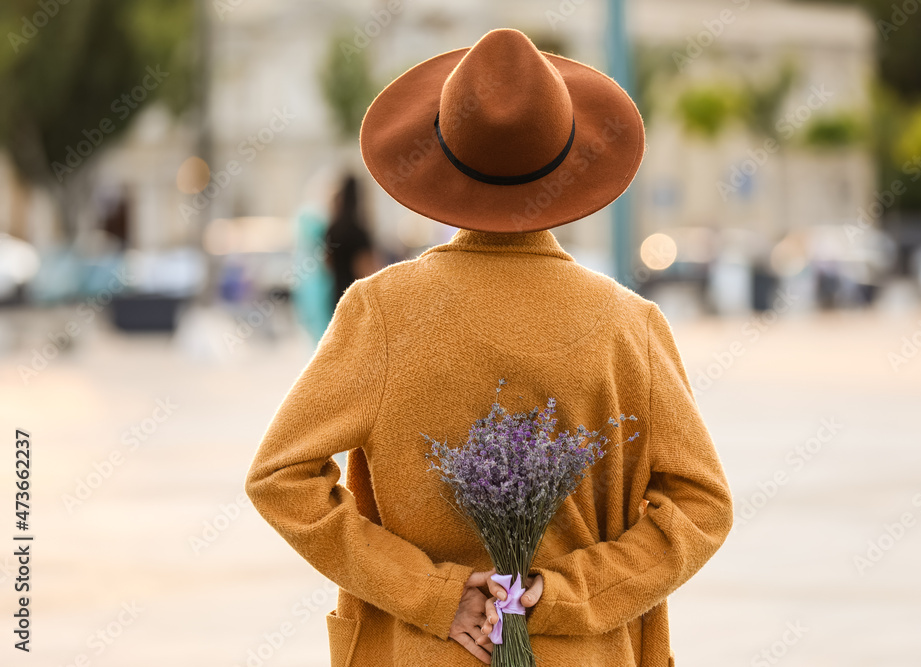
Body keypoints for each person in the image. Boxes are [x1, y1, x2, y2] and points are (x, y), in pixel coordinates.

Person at [245, 29, 733, 666]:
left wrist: (432, 593)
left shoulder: (380, 313)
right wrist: (559, 597)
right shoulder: (627, 325)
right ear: (567, 163)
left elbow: (279, 478)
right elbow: (702, 506)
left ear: (442, 161)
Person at [324, 174, 378, 313]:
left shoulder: (332, 228)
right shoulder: (358, 231)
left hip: (336, 295)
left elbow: (327, 262)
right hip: (356, 299)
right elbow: (364, 269)